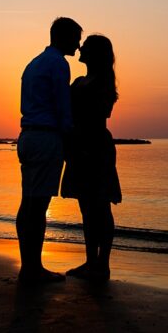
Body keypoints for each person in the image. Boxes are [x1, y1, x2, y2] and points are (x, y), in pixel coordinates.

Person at [16, 16, 82, 284]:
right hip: (45, 138)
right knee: (39, 205)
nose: (78, 46)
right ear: (64, 37)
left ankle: (28, 266)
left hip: (27, 137)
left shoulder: (34, 64)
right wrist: (70, 143)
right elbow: (62, 108)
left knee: (28, 203)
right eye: (76, 39)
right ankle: (33, 268)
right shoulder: (58, 64)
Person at [59, 34, 122, 281]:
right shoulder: (79, 81)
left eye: (85, 46)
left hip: (95, 147)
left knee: (101, 206)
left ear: (95, 53)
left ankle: (102, 265)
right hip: (79, 146)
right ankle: (90, 262)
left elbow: (97, 116)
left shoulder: (103, 83)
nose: (80, 47)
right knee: (86, 207)